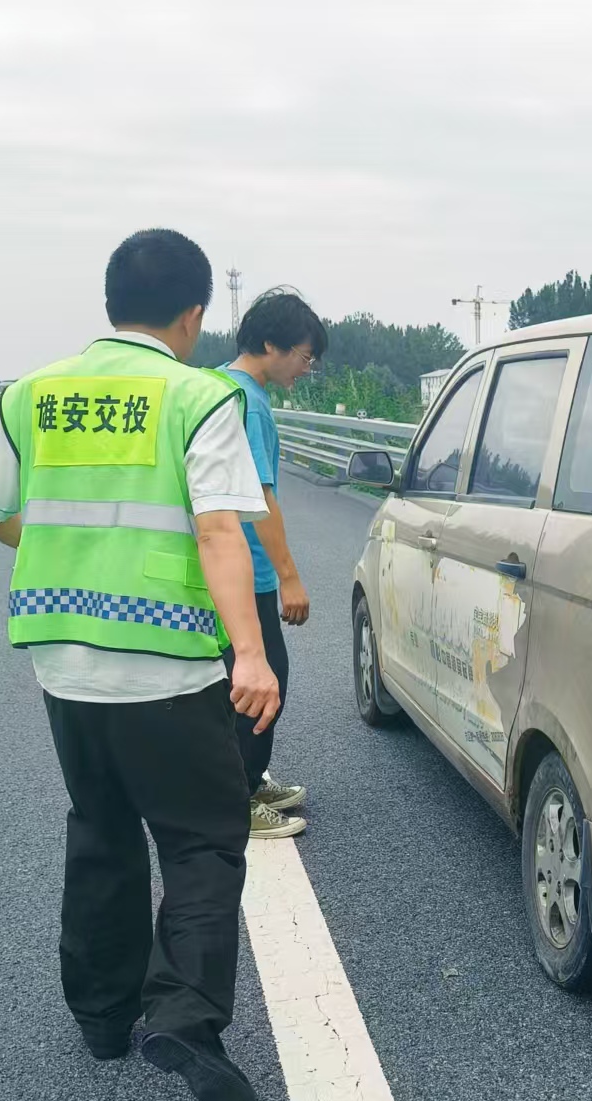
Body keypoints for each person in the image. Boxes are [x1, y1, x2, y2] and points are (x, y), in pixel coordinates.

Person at [0, 228, 278, 1101]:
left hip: (61, 661)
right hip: (168, 664)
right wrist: (249, 653)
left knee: (99, 825)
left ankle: (102, 1015)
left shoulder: (34, 393)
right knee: (204, 835)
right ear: (193, 313)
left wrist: (70, 551)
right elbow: (220, 531)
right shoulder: (196, 396)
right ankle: (182, 1011)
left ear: (109, 304)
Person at [215, 288, 328, 839]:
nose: (307, 368)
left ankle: (250, 780)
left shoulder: (218, 386)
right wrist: (289, 577)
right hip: (246, 565)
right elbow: (260, 496)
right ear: (270, 344)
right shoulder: (248, 402)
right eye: (304, 356)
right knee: (263, 678)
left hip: (219, 561)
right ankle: (236, 798)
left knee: (241, 679)